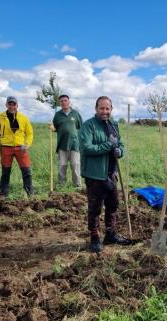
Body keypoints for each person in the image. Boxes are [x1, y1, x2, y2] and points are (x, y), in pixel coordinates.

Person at [79, 96, 131, 253]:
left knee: (113, 204)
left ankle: (111, 234)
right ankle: (94, 238)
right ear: (96, 109)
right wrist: (109, 145)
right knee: (95, 208)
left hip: (111, 173)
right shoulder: (88, 126)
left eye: (107, 108)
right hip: (95, 175)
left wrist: (120, 150)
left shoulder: (113, 125)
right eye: (101, 108)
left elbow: (120, 144)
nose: (105, 111)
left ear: (111, 109)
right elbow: (86, 148)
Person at [0, 96, 34, 198]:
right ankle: (3, 193)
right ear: (6, 105)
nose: (12, 106)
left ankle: (30, 193)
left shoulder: (23, 118)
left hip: (21, 148)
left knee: (26, 171)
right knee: (5, 171)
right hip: (6, 147)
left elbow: (30, 133)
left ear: (17, 105)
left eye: (14, 104)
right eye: (10, 104)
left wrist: (26, 145)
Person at [49, 94, 83, 188]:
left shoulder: (75, 114)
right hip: (62, 144)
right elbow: (55, 128)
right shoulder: (57, 115)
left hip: (74, 145)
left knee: (75, 165)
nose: (64, 102)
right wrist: (52, 128)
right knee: (62, 165)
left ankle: (77, 185)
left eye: (65, 100)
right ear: (60, 103)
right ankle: (61, 184)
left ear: (69, 102)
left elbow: (81, 127)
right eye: (61, 101)